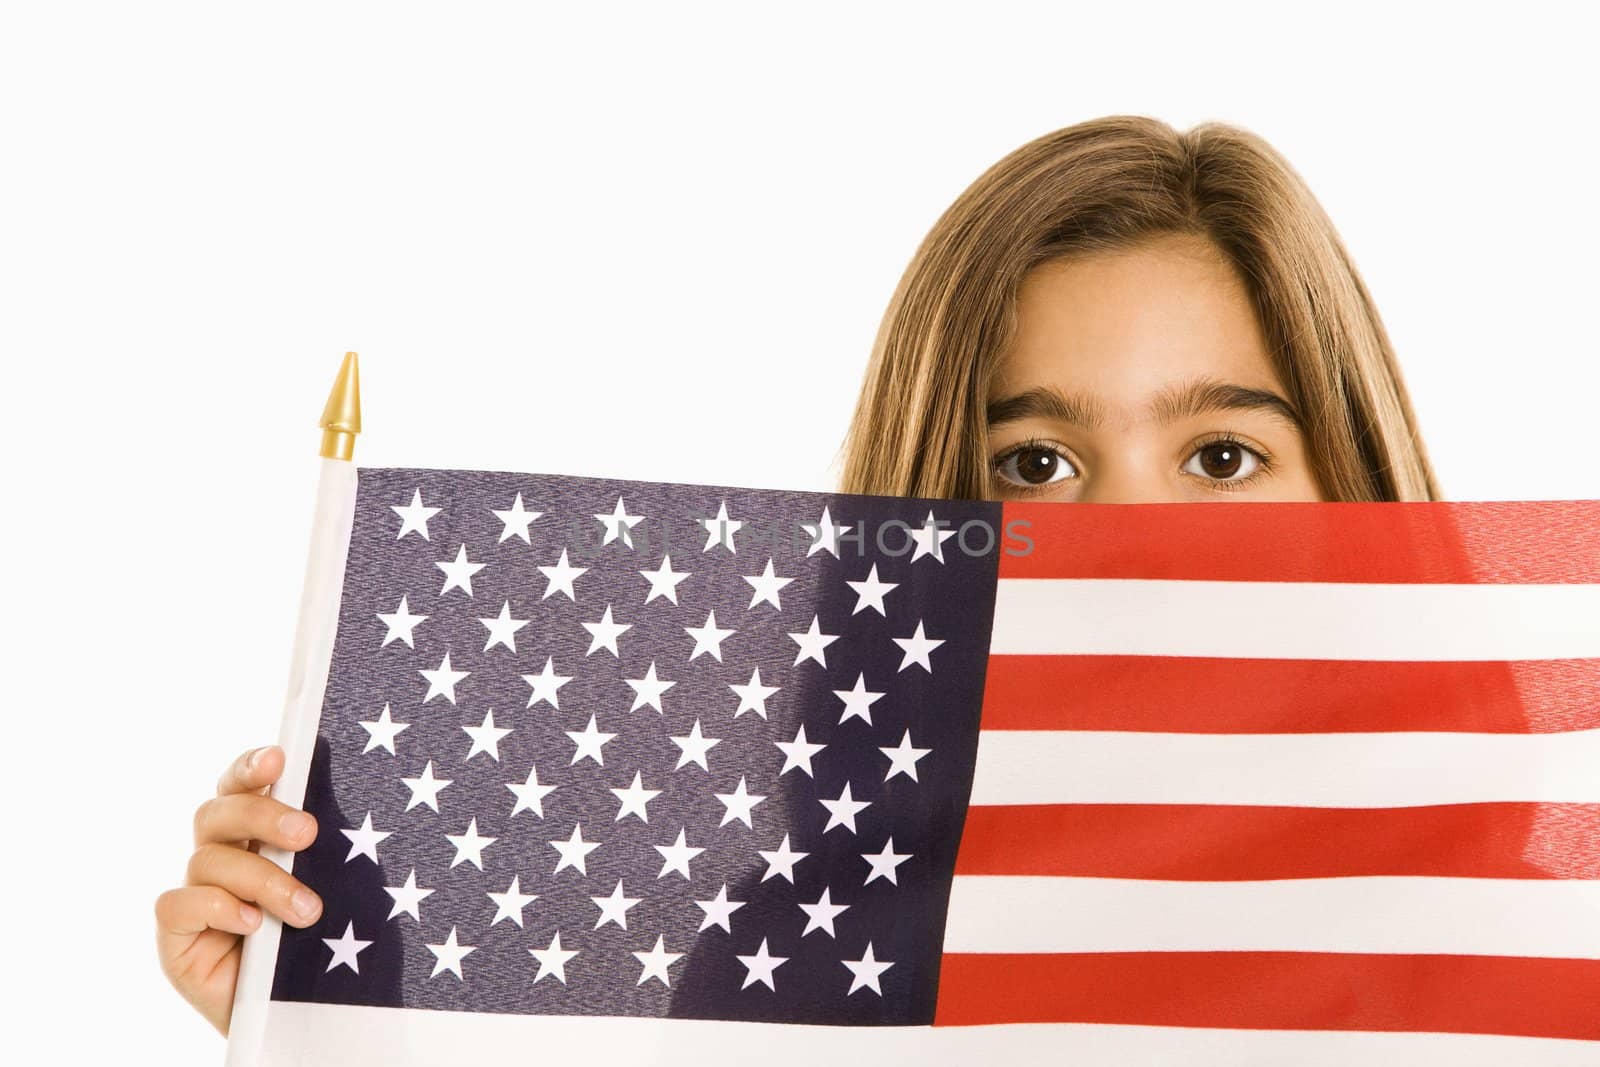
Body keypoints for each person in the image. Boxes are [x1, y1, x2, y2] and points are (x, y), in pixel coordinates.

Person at [155, 114, 1438, 1034]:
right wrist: (321, 1020)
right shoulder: (810, 958)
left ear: (1353, 484)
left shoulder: (1522, 934)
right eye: (1033, 461)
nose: (1131, 533)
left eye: (1222, 453)